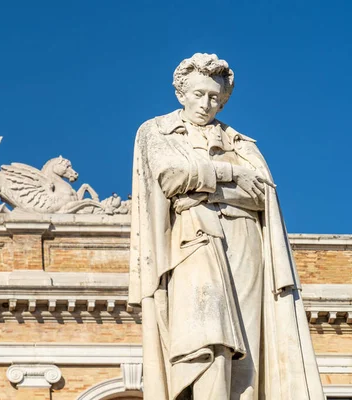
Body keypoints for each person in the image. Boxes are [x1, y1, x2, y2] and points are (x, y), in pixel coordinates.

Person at [128, 53, 324, 400]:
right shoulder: (156, 131)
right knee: (205, 333)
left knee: (246, 341)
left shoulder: (241, 143)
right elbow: (171, 177)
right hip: (193, 240)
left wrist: (201, 181)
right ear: (181, 94)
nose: (207, 104)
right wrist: (229, 173)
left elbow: (262, 194)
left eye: (215, 97)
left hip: (245, 240)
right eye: (200, 94)